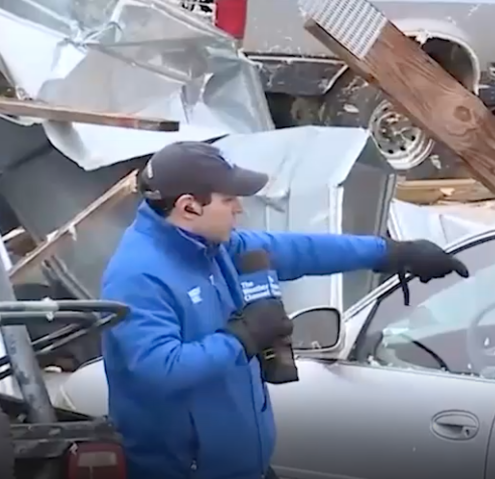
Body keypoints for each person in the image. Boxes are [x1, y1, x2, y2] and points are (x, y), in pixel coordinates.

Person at [100, 141, 468, 479]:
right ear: (189, 206)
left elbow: (303, 249)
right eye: (229, 200)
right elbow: (158, 369)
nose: (239, 208)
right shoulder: (138, 276)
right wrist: (242, 337)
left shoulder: (215, 247)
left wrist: (392, 253)